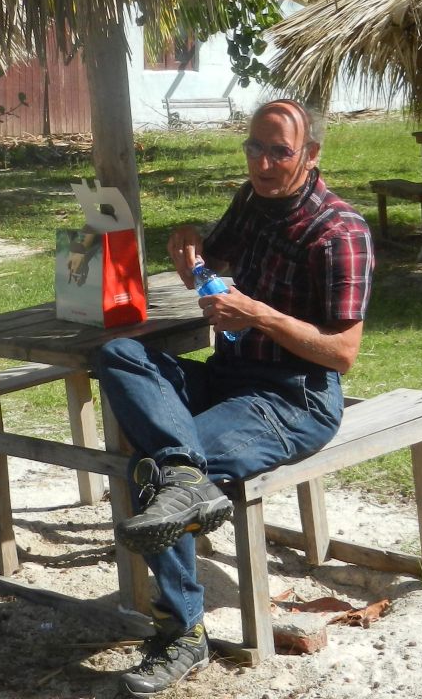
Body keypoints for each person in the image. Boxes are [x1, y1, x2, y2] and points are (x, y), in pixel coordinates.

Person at [97, 99, 373, 695]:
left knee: (154, 474)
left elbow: (342, 353)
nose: (264, 164)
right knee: (121, 354)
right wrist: (189, 251)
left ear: (311, 154)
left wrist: (259, 314)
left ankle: (182, 635)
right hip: (229, 378)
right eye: (254, 148)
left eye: (280, 152)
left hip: (293, 399)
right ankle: (184, 472)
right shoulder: (252, 201)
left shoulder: (340, 231)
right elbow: (211, 264)